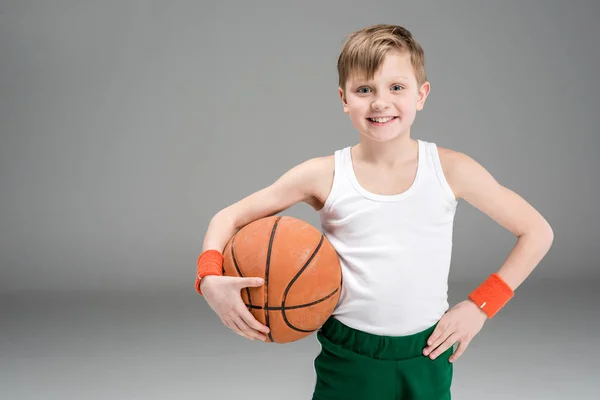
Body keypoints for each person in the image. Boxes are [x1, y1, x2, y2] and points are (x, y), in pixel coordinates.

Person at [195, 24, 554, 400]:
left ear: (421, 94)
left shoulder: (451, 169)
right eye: (364, 89)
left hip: (428, 350)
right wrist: (208, 279)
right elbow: (228, 217)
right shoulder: (324, 174)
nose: (380, 102)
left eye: (396, 87)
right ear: (344, 98)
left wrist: (481, 307)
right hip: (349, 352)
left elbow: (537, 231)